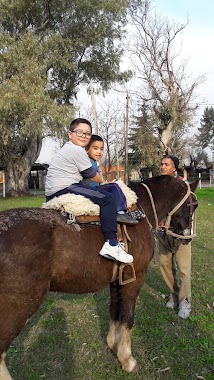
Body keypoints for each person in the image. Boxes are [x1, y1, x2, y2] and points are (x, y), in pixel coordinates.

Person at [45, 118, 133, 264]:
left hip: (61, 187)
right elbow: (92, 176)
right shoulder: (76, 150)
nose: (84, 136)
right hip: (64, 188)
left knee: (105, 191)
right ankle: (112, 244)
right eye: (80, 132)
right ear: (70, 134)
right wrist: (103, 181)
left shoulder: (68, 148)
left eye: (87, 134)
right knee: (107, 198)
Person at [159, 155, 192, 319]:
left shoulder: (182, 186)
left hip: (179, 234)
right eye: (161, 164)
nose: (162, 167)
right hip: (163, 233)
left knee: (183, 268)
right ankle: (174, 294)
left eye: (166, 164)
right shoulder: (158, 186)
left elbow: (188, 210)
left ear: (174, 168)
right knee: (165, 265)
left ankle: (185, 301)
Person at [83, 134, 138, 225]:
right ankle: (120, 212)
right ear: (87, 149)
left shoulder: (91, 162)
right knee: (114, 187)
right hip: (91, 190)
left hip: (90, 188)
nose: (99, 152)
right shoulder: (89, 163)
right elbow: (93, 178)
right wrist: (102, 182)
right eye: (95, 148)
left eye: (101, 149)